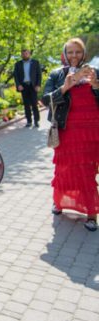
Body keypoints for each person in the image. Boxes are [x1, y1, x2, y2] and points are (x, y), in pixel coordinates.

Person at [42, 38, 99, 232]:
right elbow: (45, 99)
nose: (74, 56)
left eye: (78, 52)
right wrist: (65, 87)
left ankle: (91, 214)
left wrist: (96, 86)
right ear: (65, 54)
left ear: (84, 54)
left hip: (90, 132)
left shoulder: (94, 72)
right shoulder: (57, 74)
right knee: (64, 169)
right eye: (70, 52)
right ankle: (60, 203)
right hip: (67, 130)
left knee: (87, 172)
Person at [14, 48, 42, 128]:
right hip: (23, 86)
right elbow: (16, 76)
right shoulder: (18, 64)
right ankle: (29, 121)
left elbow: (39, 75)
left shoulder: (35, 63)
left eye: (26, 53)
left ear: (29, 54)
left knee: (34, 104)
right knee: (26, 105)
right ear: (21, 55)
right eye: (23, 54)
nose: (25, 55)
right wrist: (18, 85)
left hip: (33, 86)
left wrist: (38, 85)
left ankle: (36, 121)